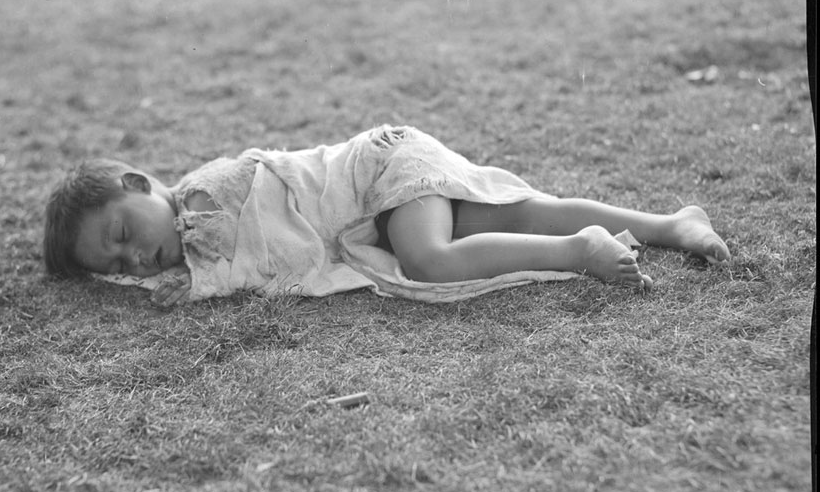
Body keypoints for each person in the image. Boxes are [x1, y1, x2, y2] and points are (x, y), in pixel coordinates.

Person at [44, 125, 730, 307]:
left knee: (428, 259)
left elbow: (257, 256)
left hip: (379, 171)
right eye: (119, 266)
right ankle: (670, 222)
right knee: (517, 211)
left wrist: (186, 288)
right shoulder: (188, 220)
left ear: (141, 184)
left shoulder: (202, 201)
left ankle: (579, 251)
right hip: (389, 168)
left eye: (124, 234)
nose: (138, 260)